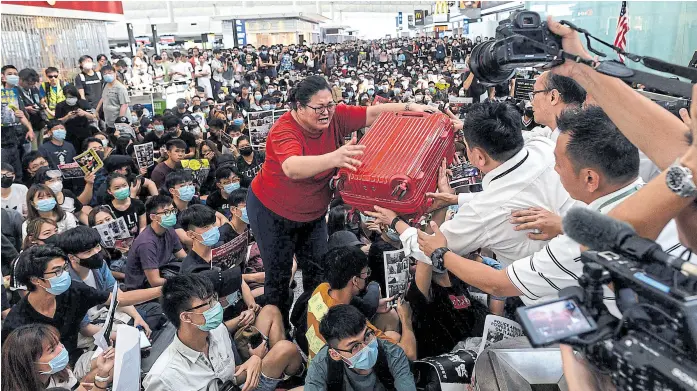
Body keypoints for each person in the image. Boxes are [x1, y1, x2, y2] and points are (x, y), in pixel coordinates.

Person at [415, 106, 688, 310]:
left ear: (590, 178)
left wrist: (440, 253)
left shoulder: (577, 246)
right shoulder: (668, 198)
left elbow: (498, 283)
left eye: (558, 164)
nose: (552, 169)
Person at [247, 75, 434, 321]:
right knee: (279, 276)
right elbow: (292, 167)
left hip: (312, 214)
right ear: (299, 107)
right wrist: (336, 157)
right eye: (318, 108)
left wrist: (410, 108)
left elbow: (374, 113)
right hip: (272, 211)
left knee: (319, 273)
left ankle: (312, 324)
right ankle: (278, 331)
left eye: (330, 105)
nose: (326, 112)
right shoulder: (284, 131)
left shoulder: (337, 116)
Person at [144, 274, 303, 391]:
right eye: (208, 303)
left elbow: (225, 376)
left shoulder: (218, 332)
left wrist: (255, 360)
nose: (216, 306)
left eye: (214, 298)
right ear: (186, 317)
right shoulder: (164, 378)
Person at [2, 244, 161, 361]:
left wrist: (163, 290)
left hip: (76, 355)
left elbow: (119, 299)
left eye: (65, 268)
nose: (64, 274)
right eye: (57, 271)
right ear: (36, 280)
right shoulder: (18, 323)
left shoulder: (72, 290)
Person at [305, 246, 416, 360]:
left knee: (389, 319)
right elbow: (409, 354)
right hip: (343, 373)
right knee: (395, 336)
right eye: (365, 273)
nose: (367, 276)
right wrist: (406, 319)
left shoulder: (321, 289)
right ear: (355, 280)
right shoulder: (350, 322)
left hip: (315, 362)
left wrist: (375, 306)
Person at [304, 304, 416, 391]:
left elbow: (406, 383)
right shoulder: (321, 366)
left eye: (367, 336)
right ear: (335, 354)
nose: (366, 347)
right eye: (355, 346)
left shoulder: (391, 353)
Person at [1, 324, 115, 391]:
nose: (61, 349)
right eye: (51, 350)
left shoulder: (62, 373)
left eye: (58, 343)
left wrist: (103, 373)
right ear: (29, 362)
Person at [125, 194, 187, 290]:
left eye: (173, 210)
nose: (172, 214)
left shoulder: (169, 229)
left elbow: (183, 257)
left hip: (162, 272)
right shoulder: (146, 243)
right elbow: (155, 282)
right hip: (143, 288)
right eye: (166, 212)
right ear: (153, 217)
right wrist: (183, 280)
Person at [54, 84, 98, 151]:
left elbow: (93, 117)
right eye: (68, 97)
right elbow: (57, 122)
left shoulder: (83, 103)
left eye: (72, 97)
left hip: (84, 132)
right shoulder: (60, 106)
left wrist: (84, 113)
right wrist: (67, 117)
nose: (71, 99)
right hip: (69, 134)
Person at [105, 172, 146, 236]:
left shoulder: (138, 204)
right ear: (109, 191)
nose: (122, 189)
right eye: (117, 188)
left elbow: (143, 227)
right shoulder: (107, 209)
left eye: (124, 186)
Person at [97, 65, 130, 132]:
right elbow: (103, 97)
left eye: (109, 72)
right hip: (109, 121)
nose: (107, 75)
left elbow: (124, 105)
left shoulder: (120, 88)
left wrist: (120, 122)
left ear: (115, 73)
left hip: (118, 122)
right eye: (105, 73)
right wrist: (97, 110)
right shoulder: (105, 85)